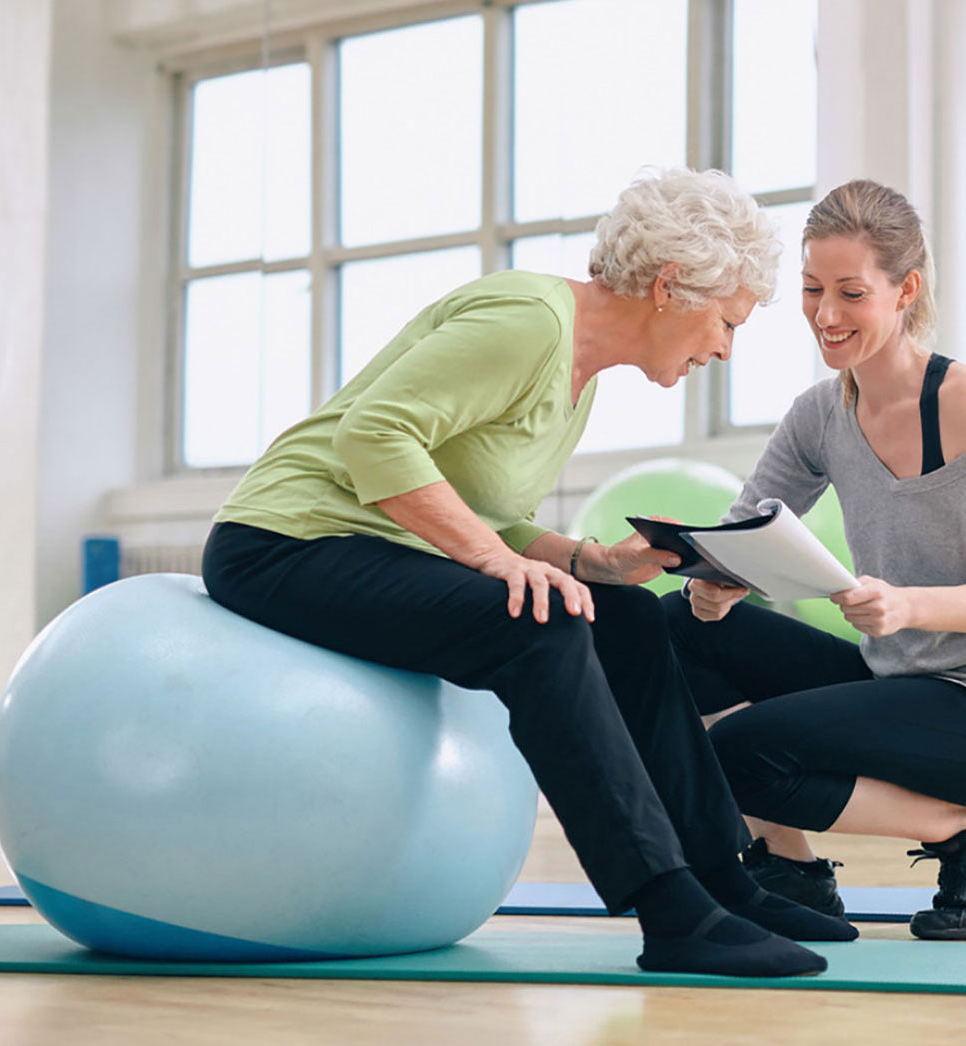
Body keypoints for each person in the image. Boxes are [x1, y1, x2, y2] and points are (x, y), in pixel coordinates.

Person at [202, 168, 858, 979]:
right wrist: (496, 561)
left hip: (372, 543)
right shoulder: (528, 322)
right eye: (727, 322)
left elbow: (479, 506)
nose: (723, 348)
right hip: (283, 541)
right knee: (538, 624)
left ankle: (725, 879)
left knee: (627, 615)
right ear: (668, 287)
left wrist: (592, 562)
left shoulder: (576, 376)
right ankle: (672, 909)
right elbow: (373, 438)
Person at [664, 178, 966, 941]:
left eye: (851, 292)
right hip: (897, 676)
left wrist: (910, 605)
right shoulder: (822, 412)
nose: (826, 314)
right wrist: (718, 578)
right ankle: (791, 869)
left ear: (904, 290)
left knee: (741, 754)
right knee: (673, 626)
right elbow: (745, 526)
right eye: (814, 290)